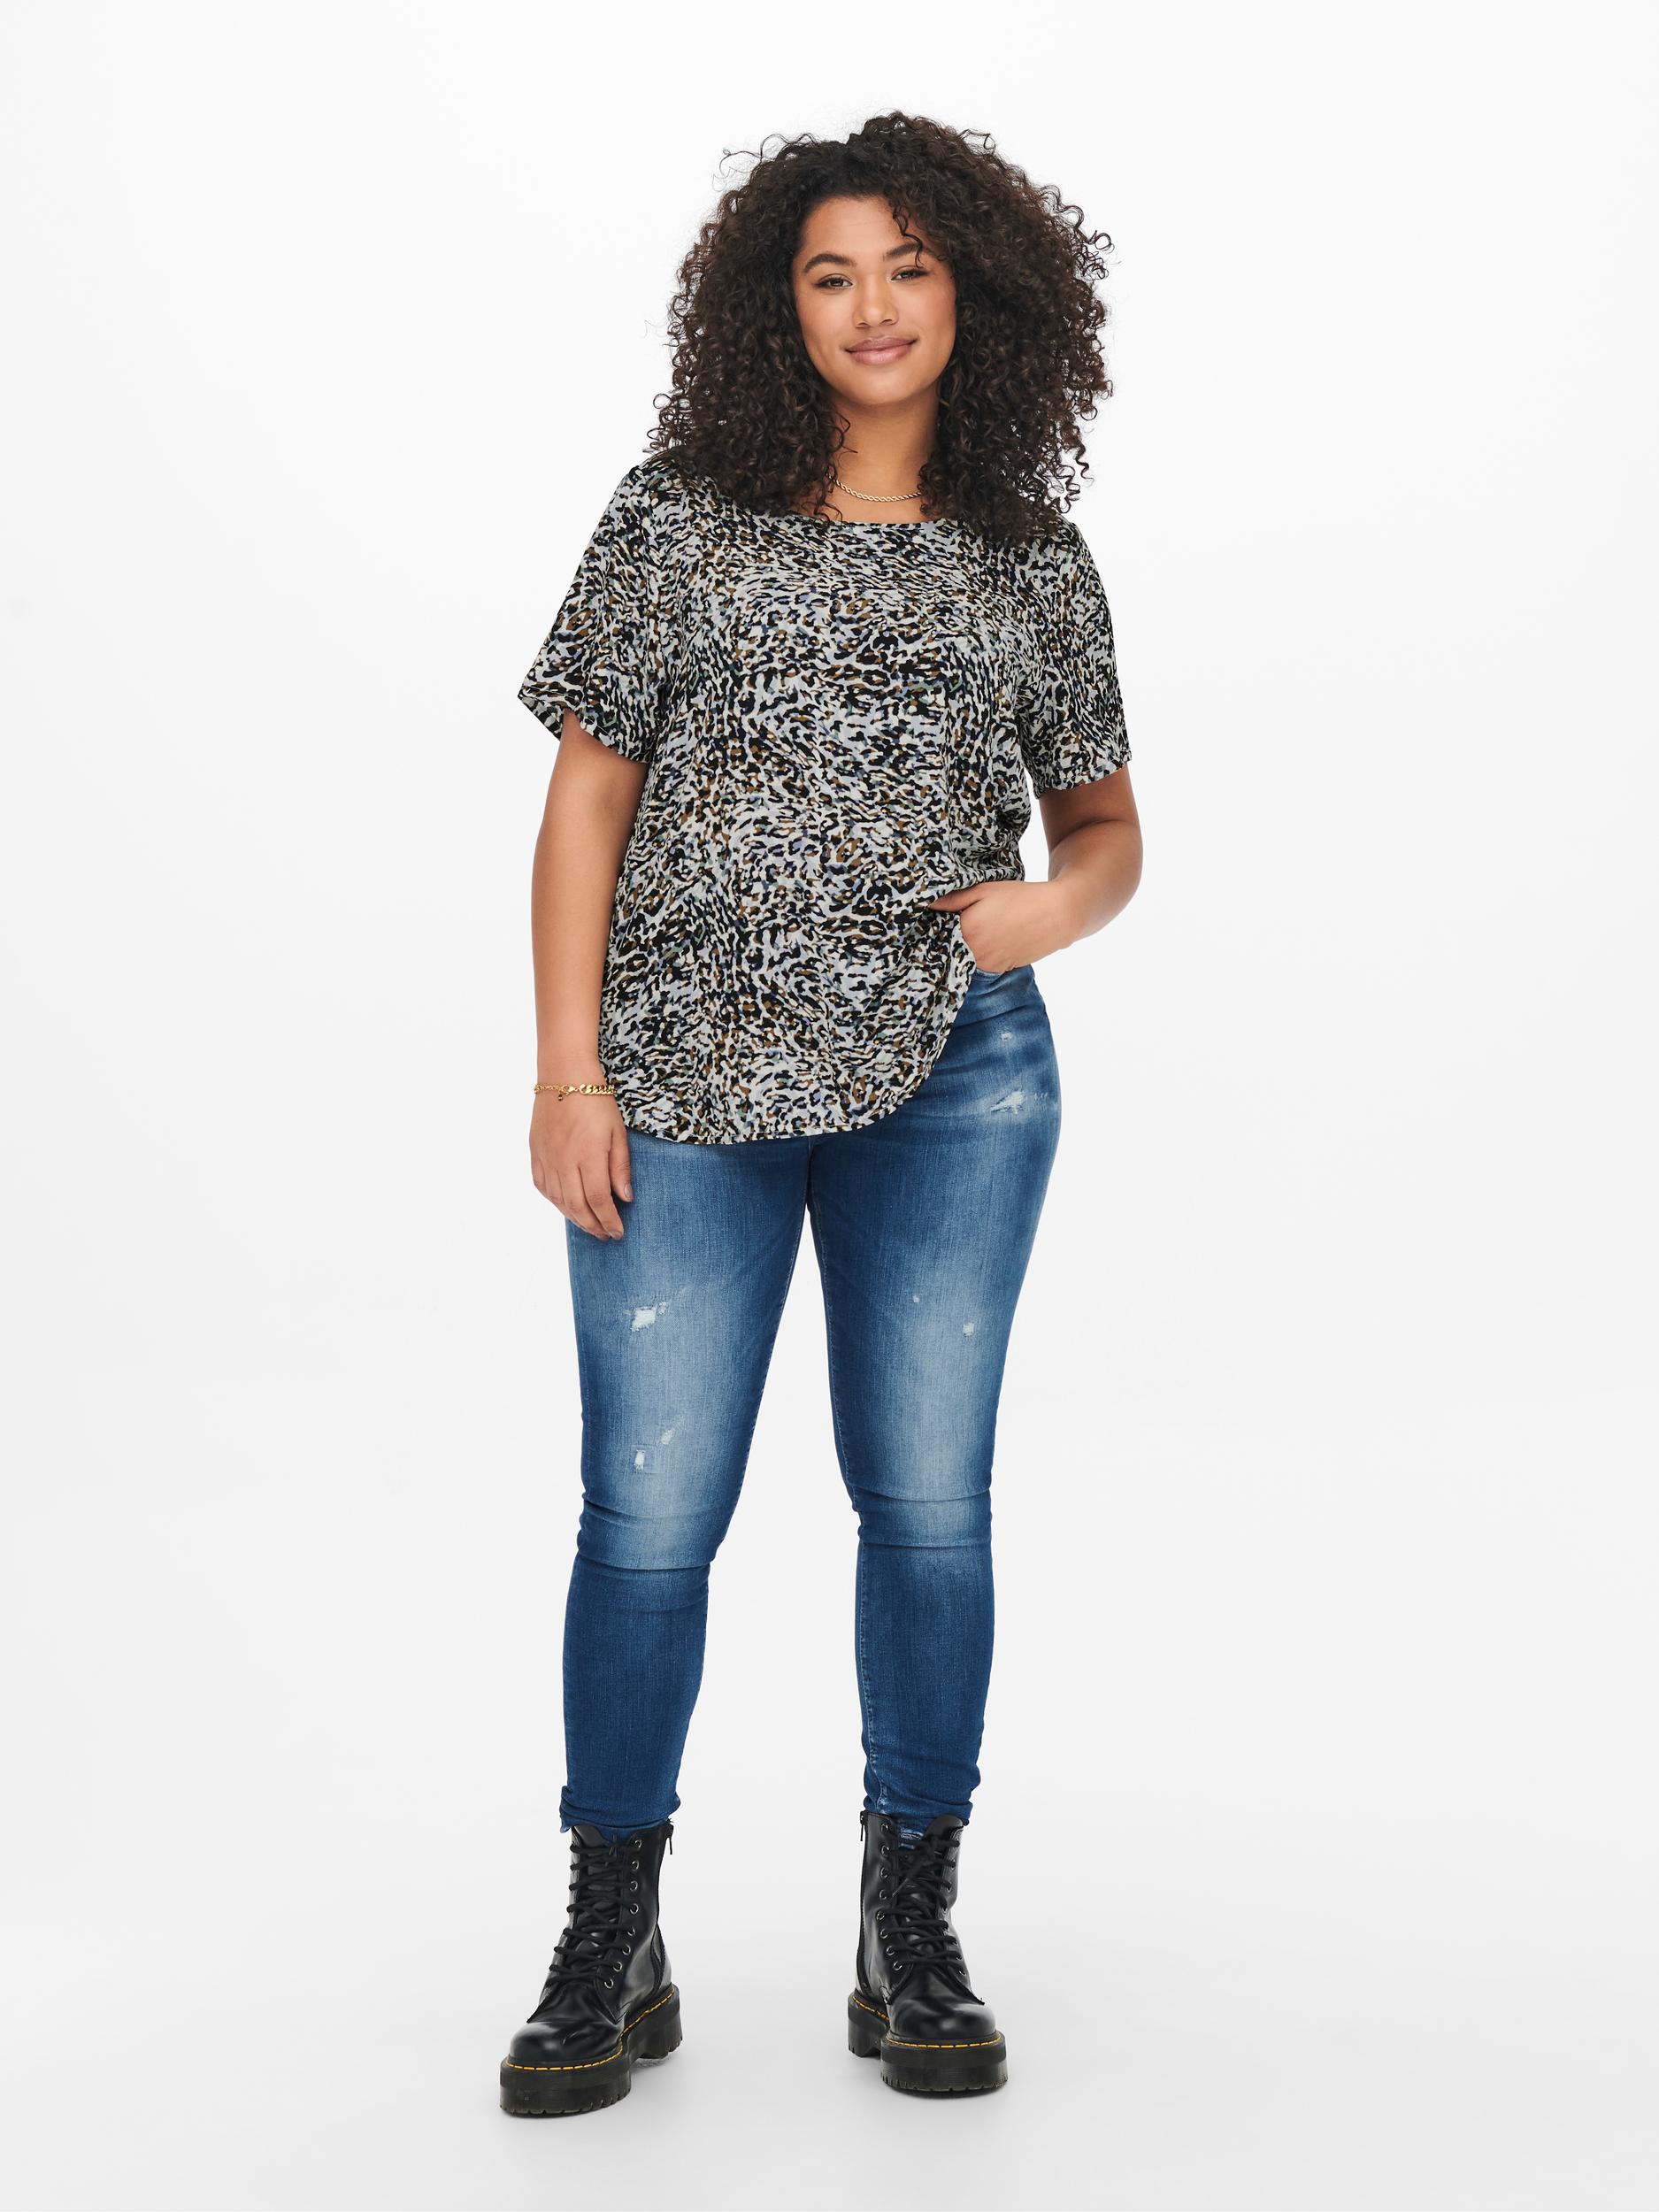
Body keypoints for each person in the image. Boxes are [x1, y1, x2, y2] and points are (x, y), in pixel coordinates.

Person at [499, 111, 1143, 2115]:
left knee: (927, 1502)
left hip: (955, 1078)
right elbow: (584, 802)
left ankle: (909, 1918)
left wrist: (1050, 907)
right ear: (775, 305)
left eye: (909, 269)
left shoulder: (1027, 553)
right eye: (832, 273)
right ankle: (610, 1929)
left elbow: (1106, 828)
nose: (873, 308)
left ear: (975, 293)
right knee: (649, 1514)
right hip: (679, 1079)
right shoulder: (676, 515)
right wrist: (567, 1070)